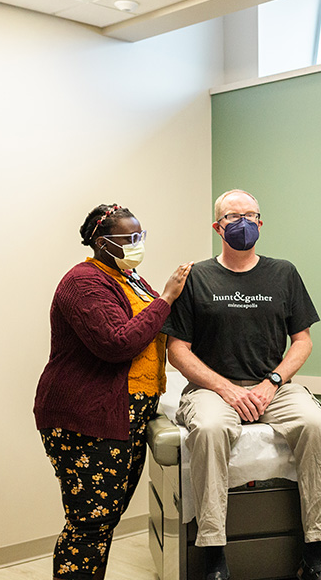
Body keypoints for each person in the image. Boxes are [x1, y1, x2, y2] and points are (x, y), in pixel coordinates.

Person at [162, 189, 321, 580]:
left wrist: (273, 382)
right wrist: (226, 389)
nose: (242, 222)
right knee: (210, 430)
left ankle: (316, 552)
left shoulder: (284, 273)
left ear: (260, 223)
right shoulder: (197, 277)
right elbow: (176, 350)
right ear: (217, 227)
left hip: (273, 385)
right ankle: (214, 556)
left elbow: (303, 341)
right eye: (232, 216)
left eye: (250, 215)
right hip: (213, 389)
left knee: (315, 426)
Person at [34, 204, 192, 580]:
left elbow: (152, 323)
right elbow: (117, 342)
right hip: (87, 417)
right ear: (103, 244)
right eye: (130, 239)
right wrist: (167, 298)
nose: (138, 244)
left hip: (126, 415)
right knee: (89, 524)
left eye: (141, 236)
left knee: (103, 521)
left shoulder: (129, 277)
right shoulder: (83, 283)